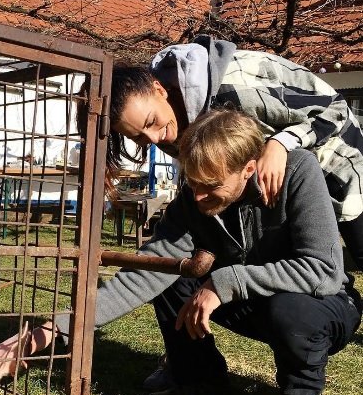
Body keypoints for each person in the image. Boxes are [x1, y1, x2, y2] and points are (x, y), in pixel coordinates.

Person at [35, 109, 361, 395]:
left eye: (210, 185)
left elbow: (323, 271)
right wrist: (57, 328)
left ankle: (301, 393)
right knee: (169, 275)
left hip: (324, 303)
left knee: (288, 309)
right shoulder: (194, 198)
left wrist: (224, 282)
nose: (198, 196)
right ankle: (197, 373)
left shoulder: (298, 172)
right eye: (192, 183)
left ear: (248, 169)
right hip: (253, 300)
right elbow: (143, 275)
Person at [106, 36, 363, 269]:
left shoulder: (238, 85)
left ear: (159, 89)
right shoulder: (170, 125)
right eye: (138, 136)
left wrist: (281, 143)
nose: (153, 138)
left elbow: (335, 107)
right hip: (281, 193)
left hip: (340, 169)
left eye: (151, 122)